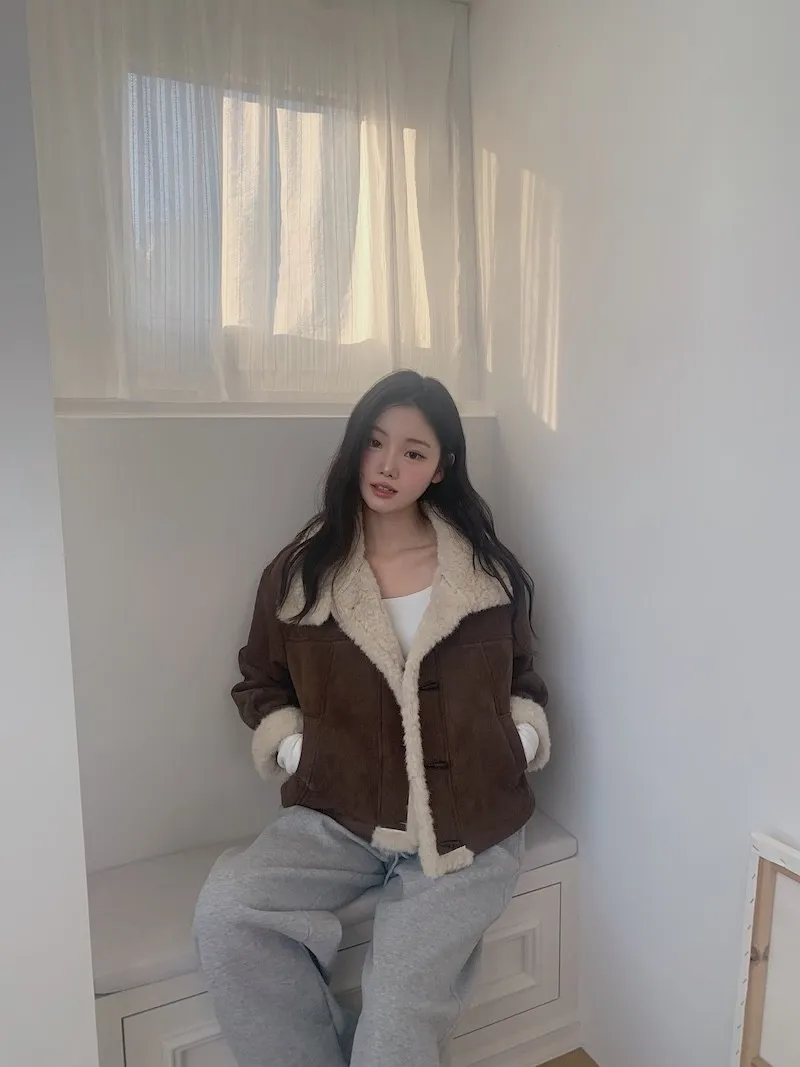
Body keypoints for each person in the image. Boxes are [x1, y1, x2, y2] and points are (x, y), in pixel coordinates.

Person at [193, 370, 551, 1067]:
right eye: (375, 443)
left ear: (441, 466)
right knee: (229, 910)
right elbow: (260, 681)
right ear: (354, 446)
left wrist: (519, 737)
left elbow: (523, 679)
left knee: (396, 1018)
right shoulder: (303, 572)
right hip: (342, 815)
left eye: (414, 452)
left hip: (469, 825)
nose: (388, 466)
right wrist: (298, 751)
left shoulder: (484, 573)